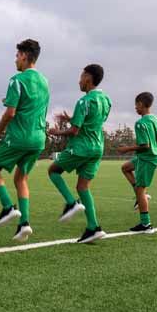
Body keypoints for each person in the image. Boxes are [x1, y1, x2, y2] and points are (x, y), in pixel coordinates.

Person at [0, 39, 49, 242]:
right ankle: (24, 224)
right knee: (21, 179)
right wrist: (10, 101)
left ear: (24, 56)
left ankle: (7, 207)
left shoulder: (17, 79)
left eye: (16, 55)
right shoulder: (44, 81)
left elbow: (10, 113)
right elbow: (31, 105)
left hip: (20, 137)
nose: (15, 60)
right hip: (39, 138)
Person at [47, 64, 111, 244]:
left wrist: (56, 132)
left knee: (53, 171)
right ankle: (93, 227)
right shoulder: (106, 100)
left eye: (81, 77)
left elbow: (75, 131)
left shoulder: (84, 101)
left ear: (88, 78)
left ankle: (71, 203)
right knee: (83, 187)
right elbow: (94, 120)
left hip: (82, 147)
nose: (79, 81)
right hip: (97, 147)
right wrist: (70, 118)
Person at [117, 92, 157, 233]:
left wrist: (126, 149)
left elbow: (145, 146)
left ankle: (146, 225)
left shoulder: (141, 123)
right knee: (125, 168)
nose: (135, 108)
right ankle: (140, 195)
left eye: (136, 105)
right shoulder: (155, 119)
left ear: (141, 104)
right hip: (150, 156)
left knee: (140, 189)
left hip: (147, 157)